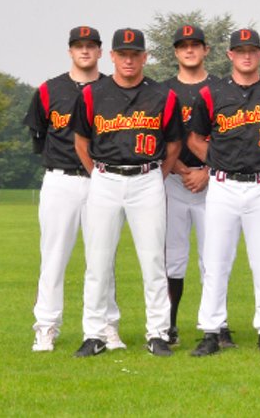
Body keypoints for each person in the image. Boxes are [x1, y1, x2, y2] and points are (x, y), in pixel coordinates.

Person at [72, 28, 184, 358]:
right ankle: (94, 333)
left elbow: (174, 143)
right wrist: (97, 175)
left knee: (152, 260)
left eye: (135, 54)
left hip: (147, 178)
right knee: (97, 260)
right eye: (123, 54)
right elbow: (81, 141)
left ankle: (158, 333)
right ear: (113, 57)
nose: (129, 59)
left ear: (145, 57)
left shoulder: (163, 96)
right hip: (105, 178)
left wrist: (157, 176)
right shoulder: (93, 94)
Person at [186, 29, 260, 356]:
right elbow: (195, 138)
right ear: (230, 55)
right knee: (216, 261)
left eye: (252, 50)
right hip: (223, 185)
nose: (246, 56)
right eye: (240, 50)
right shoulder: (211, 93)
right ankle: (210, 331)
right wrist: (217, 162)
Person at [27, 25, 122, 353]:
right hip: (60, 179)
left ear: (99, 52)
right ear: (70, 50)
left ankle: (107, 326)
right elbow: (39, 136)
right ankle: (46, 327)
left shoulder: (113, 89)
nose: (84, 51)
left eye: (91, 46)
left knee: (103, 257)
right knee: (53, 256)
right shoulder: (48, 90)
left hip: (103, 179)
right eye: (78, 46)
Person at [161, 24, 215, 347]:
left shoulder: (220, 88)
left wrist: (207, 170)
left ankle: (213, 325)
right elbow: (157, 137)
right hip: (173, 180)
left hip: (213, 181)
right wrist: (181, 169)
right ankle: (170, 324)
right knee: (174, 258)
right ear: (176, 52)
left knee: (214, 257)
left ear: (206, 50)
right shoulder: (163, 91)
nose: (190, 50)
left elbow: (229, 137)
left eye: (196, 45)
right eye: (183, 46)